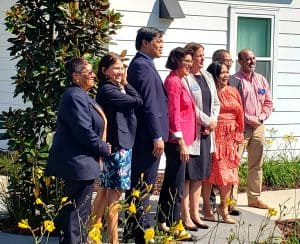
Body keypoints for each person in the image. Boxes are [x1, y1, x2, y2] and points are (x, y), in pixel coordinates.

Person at [46, 57, 111, 244]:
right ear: (76, 76)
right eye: (88, 72)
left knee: (79, 211)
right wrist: (103, 148)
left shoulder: (82, 95)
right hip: (77, 163)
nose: (93, 75)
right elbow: (83, 130)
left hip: (83, 162)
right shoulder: (74, 96)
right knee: (75, 211)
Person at [91, 52, 143, 244]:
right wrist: (128, 83)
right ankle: (113, 240)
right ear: (105, 71)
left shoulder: (115, 88)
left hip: (119, 144)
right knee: (115, 194)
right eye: (116, 68)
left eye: (122, 68)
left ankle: (92, 234)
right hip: (117, 146)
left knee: (105, 190)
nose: (120, 72)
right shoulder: (108, 90)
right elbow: (137, 101)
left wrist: (124, 84)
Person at [124, 27, 169, 243]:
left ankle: (134, 228)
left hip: (147, 135)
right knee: (143, 184)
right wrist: (157, 135)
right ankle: (139, 231)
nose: (162, 45)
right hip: (146, 137)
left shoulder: (145, 64)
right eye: (158, 41)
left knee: (141, 184)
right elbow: (149, 104)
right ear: (145, 42)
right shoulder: (141, 66)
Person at [157, 47, 195, 240]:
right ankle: (174, 225)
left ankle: (161, 221)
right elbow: (173, 112)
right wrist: (180, 140)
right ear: (176, 61)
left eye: (191, 61)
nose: (189, 64)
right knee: (177, 185)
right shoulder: (173, 81)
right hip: (176, 141)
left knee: (172, 181)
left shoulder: (179, 80)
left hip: (181, 140)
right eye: (186, 61)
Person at [182, 43, 220, 225]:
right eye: (199, 55)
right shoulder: (185, 79)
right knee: (188, 176)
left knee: (199, 175)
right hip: (192, 133)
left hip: (206, 133)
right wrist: (207, 121)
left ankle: (196, 214)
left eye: (203, 55)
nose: (202, 59)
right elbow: (190, 107)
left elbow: (216, 102)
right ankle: (186, 216)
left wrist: (213, 122)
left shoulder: (207, 76)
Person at [231, 49, 273, 209]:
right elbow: (234, 106)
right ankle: (231, 201)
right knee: (234, 163)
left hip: (258, 127)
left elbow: (269, 102)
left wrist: (261, 117)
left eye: (253, 58)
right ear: (240, 61)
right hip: (240, 128)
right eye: (247, 59)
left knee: (256, 164)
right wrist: (250, 119)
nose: (251, 61)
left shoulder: (261, 80)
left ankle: (254, 198)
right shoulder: (234, 80)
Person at [204, 61, 244, 224]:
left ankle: (224, 207)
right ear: (214, 75)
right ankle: (207, 207)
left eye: (227, 72)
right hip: (214, 136)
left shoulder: (234, 91)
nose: (226, 75)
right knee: (209, 175)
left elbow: (240, 112)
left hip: (230, 139)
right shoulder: (209, 92)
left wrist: (238, 135)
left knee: (229, 175)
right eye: (222, 73)